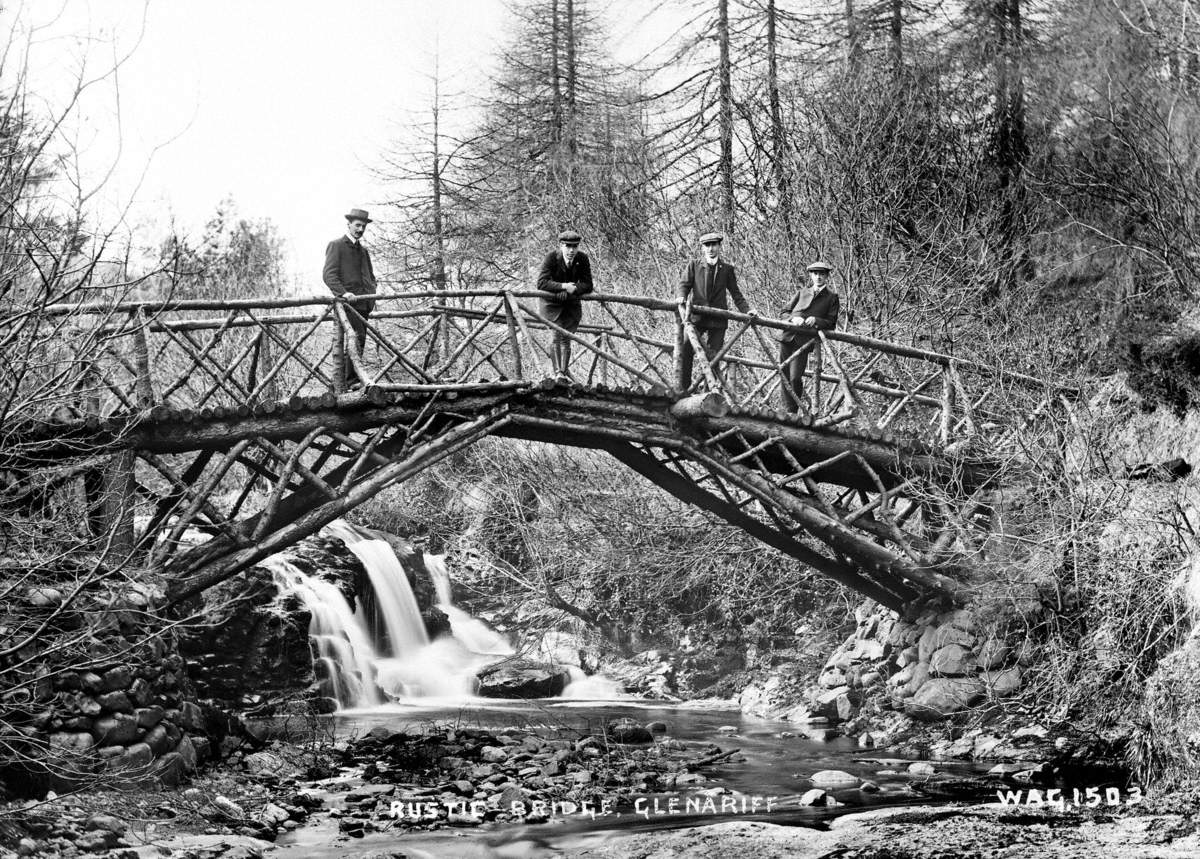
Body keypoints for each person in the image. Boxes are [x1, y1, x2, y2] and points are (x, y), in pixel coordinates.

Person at [677, 232, 750, 387]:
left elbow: (736, 294)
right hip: (697, 317)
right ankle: (683, 388)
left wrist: (747, 311)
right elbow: (684, 285)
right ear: (703, 248)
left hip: (718, 319)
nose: (711, 249)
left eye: (714, 245)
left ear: (719, 246)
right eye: (707, 245)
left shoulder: (727, 269)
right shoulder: (694, 265)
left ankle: (711, 391)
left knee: (714, 357)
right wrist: (681, 297)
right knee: (685, 348)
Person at [323, 208, 378, 388]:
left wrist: (372, 292)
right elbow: (329, 275)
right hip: (347, 304)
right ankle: (350, 382)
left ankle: (349, 381)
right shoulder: (336, 245)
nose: (360, 229)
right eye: (357, 225)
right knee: (355, 338)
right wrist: (344, 293)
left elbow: (370, 275)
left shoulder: (363, 251)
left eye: (363, 226)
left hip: (364, 304)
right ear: (349, 224)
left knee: (359, 341)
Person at [779, 260, 840, 411]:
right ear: (811, 276)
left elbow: (831, 323)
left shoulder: (832, 297)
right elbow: (784, 312)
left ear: (826, 277)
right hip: (787, 336)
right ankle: (786, 411)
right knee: (783, 374)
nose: (818, 277)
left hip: (804, 341)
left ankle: (792, 412)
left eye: (822, 274)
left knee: (795, 377)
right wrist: (793, 318)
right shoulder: (802, 292)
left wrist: (817, 320)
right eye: (815, 274)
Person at [536, 229, 594, 379]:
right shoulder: (551, 258)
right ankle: (557, 374)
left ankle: (564, 373)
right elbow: (541, 283)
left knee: (566, 338)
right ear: (561, 245)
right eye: (567, 246)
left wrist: (573, 289)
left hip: (570, 305)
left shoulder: (582, 259)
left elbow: (588, 284)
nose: (571, 250)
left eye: (574, 246)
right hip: (551, 305)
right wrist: (562, 287)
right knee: (555, 335)